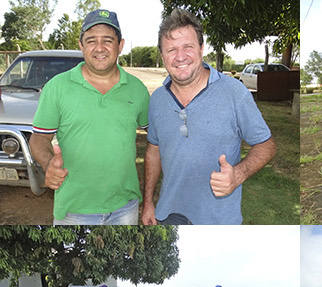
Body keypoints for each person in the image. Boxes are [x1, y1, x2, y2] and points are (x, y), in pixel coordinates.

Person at [141, 8, 276, 225]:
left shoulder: (234, 92)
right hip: (169, 214)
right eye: (171, 49)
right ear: (162, 55)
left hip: (218, 219)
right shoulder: (157, 99)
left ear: (201, 49)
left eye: (188, 47)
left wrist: (238, 175)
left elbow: (266, 145)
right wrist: (148, 202)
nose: (180, 56)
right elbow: (154, 150)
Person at [29, 10, 149, 224]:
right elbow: (39, 138)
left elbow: (155, 138)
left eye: (108, 40)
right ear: (81, 45)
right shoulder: (57, 87)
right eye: (91, 40)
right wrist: (48, 165)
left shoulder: (137, 89)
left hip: (125, 206)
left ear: (120, 45)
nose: (100, 48)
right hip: (73, 209)